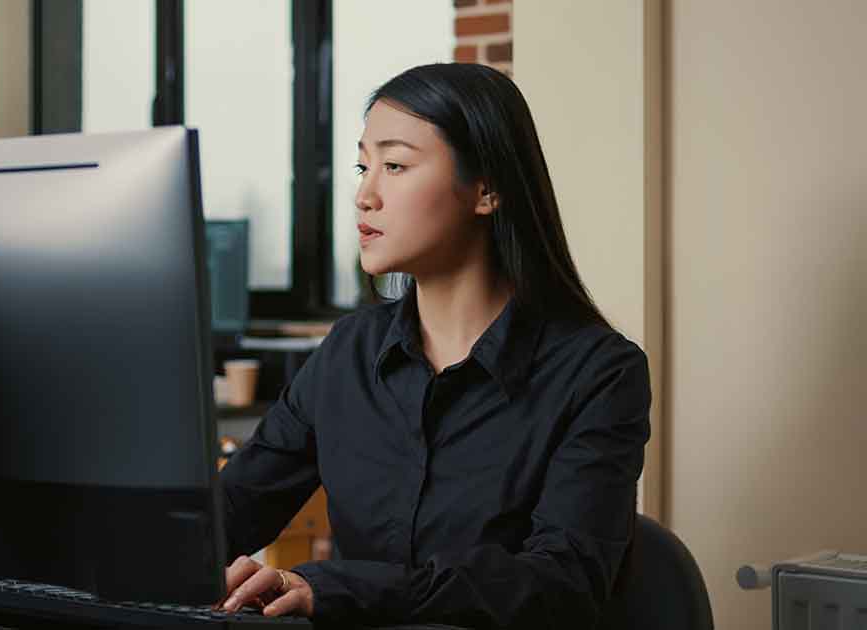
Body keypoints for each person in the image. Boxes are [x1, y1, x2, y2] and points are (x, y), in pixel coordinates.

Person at [216, 62, 652, 629]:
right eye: (362, 165)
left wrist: (336, 587)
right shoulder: (349, 351)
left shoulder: (601, 373)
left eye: (394, 166)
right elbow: (226, 518)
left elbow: (561, 585)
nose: (364, 195)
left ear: (487, 190)